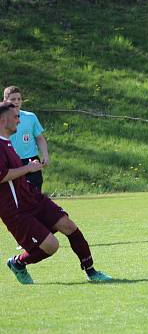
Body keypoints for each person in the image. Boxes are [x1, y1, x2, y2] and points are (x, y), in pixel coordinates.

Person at [0, 102, 112, 284]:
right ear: (4, 120)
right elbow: (1, 175)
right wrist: (28, 168)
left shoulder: (8, 142)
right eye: (16, 117)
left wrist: (30, 168)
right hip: (16, 209)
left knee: (68, 225)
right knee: (51, 246)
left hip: (32, 198)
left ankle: (92, 272)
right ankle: (18, 263)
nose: (19, 121)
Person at [3, 86, 49, 191]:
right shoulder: (2, 120)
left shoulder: (30, 117)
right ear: (5, 101)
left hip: (31, 161)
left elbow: (40, 138)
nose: (17, 102)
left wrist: (45, 154)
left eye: (19, 99)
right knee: (13, 197)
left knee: (35, 197)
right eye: (13, 99)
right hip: (11, 163)